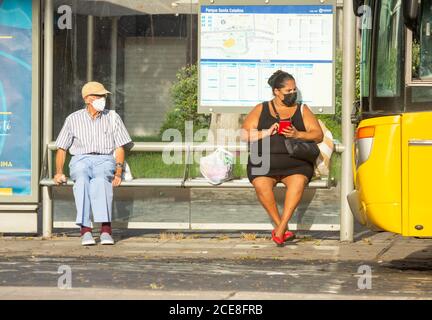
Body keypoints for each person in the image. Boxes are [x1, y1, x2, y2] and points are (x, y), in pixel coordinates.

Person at [241, 70, 323, 246]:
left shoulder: (302, 109)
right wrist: (267, 132)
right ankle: (282, 229)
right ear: (276, 92)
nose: (292, 94)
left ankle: (280, 228)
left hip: (295, 162)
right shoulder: (261, 108)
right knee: (261, 185)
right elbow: (245, 134)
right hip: (262, 161)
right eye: (288, 91)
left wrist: (297, 134)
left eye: (294, 90)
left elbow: (318, 135)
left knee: (298, 183)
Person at [54, 81, 132, 246]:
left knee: (101, 181)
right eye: (99, 96)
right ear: (87, 99)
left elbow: (120, 147)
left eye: (104, 96)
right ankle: (85, 231)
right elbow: (61, 148)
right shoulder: (73, 119)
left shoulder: (112, 117)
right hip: (80, 159)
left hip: (104, 159)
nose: (103, 99)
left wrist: (118, 172)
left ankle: (105, 230)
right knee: (81, 181)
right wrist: (58, 172)